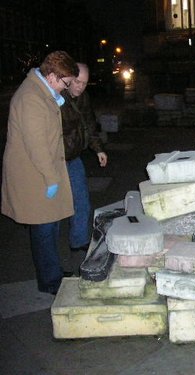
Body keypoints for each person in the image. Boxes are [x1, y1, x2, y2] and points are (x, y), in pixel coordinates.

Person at [1, 51, 79, 294]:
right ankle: (49, 281)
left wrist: (53, 99)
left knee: (50, 227)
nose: (66, 89)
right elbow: (37, 147)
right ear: (53, 76)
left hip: (41, 172)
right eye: (65, 84)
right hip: (35, 175)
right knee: (44, 230)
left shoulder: (42, 93)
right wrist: (51, 178)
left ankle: (52, 272)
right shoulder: (31, 98)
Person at [61, 63, 108, 253]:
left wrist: (98, 150)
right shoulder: (57, 98)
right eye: (77, 82)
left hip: (73, 158)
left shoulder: (84, 98)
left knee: (82, 201)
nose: (80, 87)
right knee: (54, 206)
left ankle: (78, 241)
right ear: (69, 79)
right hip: (55, 160)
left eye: (85, 83)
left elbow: (89, 125)